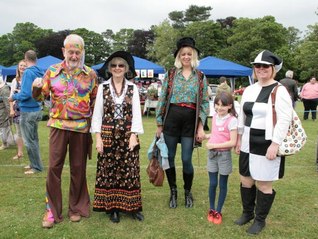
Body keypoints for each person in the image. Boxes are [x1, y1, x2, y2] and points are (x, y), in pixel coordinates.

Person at [32, 34, 98, 228]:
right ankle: (51, 210)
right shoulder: (52, 72)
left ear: (82, 52)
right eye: (71, 51)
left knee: (78, 169)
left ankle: (76, 208)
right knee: (54, 168)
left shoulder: (90, 74)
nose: (74, 56)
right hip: (58, 126)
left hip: (81, 128)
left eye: (78, 52)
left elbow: (95, 101)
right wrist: (35, 89)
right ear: (64, 51)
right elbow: (39, 97)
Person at [234, 50, 292, 235]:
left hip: (266, 142)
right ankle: (247, 213)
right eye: (257, 66)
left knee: (264, 183)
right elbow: (242, 116)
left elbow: (284, 119)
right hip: (247, 141)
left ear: (273, 69)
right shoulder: (250, 89)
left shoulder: (279, 90)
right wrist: (239, 138)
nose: (261, 69)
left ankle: (260, 220)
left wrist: (275, 144)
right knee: (245, 179)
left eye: (265, 66)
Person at [156, 37, 209, 208]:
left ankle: (188, 191)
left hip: (190, 121)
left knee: (187, 159)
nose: (186, 57)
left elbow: (205, 103)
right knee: (169, 157)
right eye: (183, 54)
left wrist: (201, 126)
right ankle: (173, 191)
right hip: (171, 118)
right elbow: (162, 98)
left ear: (193, 56)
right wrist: (159, 124)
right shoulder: (171, 74)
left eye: (189, 54)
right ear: (179, 56)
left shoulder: (200, 77)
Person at [91, 51, 144, 223]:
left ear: (126, 68)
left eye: (121, 65)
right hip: (107, 134)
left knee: (130, 170)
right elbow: (97, 115)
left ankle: (132, 206)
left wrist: (134, 134)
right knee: (110, 171)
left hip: (128, 134)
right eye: (114, 65)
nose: (117, 68)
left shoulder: (132, 88)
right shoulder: (103, 88)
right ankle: (113, 208)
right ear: (109, 68)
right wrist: (98, 137)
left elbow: (137, 113)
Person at [204, 91, 238, 225]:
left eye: (223, 105)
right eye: (217, 105)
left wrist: (213, 145)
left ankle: (218, 211)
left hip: (224, 156)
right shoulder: (214, 116)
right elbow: (215, 133)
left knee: (222, 184)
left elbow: (232, 142)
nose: (219, 108)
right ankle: (211, 209)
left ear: (230, 106)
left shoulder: (232, 120)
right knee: (212, 183)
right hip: (212, 155)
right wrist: (206, 136)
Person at [9, 50, 44, 174]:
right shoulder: (40, 71)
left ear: (25, 58)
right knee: (34, 140)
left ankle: (36, 167)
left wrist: (13, 97)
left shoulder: (28, 72)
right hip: (36, 109)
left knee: (29, 141)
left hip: (28, 111)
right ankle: (35, 164)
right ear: (36, 58)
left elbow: (26, 94)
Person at [9, 60, 27, 159]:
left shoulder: (29, 79)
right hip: (17, 109)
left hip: (27, 109)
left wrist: (20, 92)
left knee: (27, 133)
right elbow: (11, 97)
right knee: (18, 132)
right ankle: (20, 153)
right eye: (21, 65)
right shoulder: (14, 81)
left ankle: (32, 154)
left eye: (24, 65)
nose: (22, 67)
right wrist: (11, 109)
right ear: (18, 67)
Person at [0, 76, 11, 150]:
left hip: (3, 112)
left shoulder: (4, 89)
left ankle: (5, 143)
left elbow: (7, 102)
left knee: (3, 128)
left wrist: (10, 112)